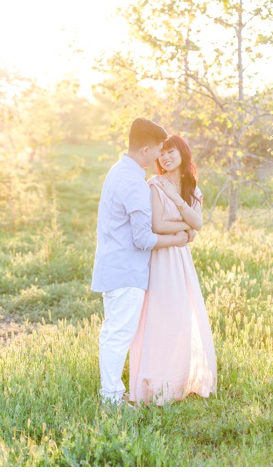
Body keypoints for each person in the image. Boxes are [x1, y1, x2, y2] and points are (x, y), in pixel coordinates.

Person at [92, 117, 190, 406]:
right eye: (159, 149)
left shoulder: (118, 170)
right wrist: (179, 238)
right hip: (126, 270)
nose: (161, 155)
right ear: (146, 150)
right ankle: (111, 399)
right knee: (118, 335)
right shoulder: (134, 182)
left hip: (115, 266)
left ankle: (112, 394)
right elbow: (143, 239)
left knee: (114, 333)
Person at [129, 134, 217, 405]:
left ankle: (178, 380)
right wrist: (185, 226)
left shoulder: (191, 187)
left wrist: (178, 203)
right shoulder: (154, 184)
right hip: (162, 255)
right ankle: (155, 384)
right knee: (159, 317)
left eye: (171, 152)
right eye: (162, 153)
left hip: (181, 260)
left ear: (182, 154)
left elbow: (199, 224)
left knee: (181, 315)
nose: (165, 157)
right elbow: (156, 225)